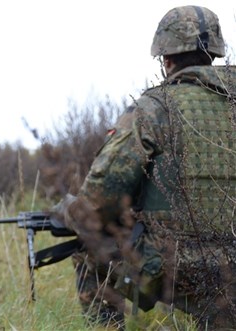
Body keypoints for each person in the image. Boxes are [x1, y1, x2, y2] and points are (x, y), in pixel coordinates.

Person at [55, 5, 235, 329]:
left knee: (88, 248)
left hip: (177, 267)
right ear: (216, 53)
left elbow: (96, 207)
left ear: (165, 59)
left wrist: (68, 211)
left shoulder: (153, 110)